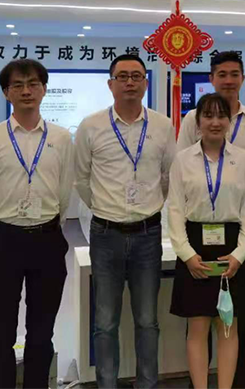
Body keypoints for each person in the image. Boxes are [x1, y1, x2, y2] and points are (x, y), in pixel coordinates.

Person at [75, 54, 177, 389]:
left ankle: (147, 383)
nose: (130, 82)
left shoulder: (162, 126)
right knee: (105, 321)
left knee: (147, 320)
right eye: (123, 76)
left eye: (136, 76)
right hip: (106, 234)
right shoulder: (91, 126)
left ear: (146, 83)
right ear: (111, 84)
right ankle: (107, 384)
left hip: (148, 233)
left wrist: (146, 207)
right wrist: (106, 209)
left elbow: (168, 176)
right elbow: (81, 179)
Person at [0, 59, 75, 389]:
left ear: (44, 89)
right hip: (5, 240)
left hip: (47, 239)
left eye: (33, 84)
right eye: (17, 85)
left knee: (42, 330)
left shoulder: (61, 138)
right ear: (6, 93)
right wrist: (3, 228)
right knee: (0, 329)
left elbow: (64, 191)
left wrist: (47, 224)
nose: (26, 91)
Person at [178, 50, 245, 389]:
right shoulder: (188, 137)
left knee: (231, 322)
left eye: (234, 74)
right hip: (197, 241)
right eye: (222, 74)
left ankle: (233, 382)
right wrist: (186, 251)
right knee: (198, 324)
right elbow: (178, 197)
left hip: (235, 241)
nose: (214, 122)